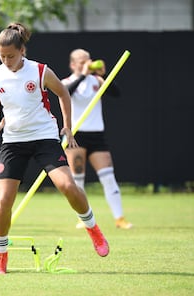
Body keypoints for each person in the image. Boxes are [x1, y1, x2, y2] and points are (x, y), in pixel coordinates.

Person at [0, 23, 109, 274]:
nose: (7, 60)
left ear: (22, 50)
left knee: (67, 186)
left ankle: (93, 228)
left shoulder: (39, 71)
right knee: (2, 202)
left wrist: (68, 127)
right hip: (12, 141)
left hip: (44, 137)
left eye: (11, 55)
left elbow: (63, 94)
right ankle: (1, 254)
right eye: (2, 56)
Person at [61, 49, 132, 230]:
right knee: (78, 179)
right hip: (76, 135)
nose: (86, 63)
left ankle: (120, 218)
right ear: (73, 64)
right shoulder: (67, 82)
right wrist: (83, 75)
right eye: (81, 61)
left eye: (88, 60)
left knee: (108, 177)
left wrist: (103, 74)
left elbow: (116, 93)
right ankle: (82, 218)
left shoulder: (96, 81)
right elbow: (67, 93)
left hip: (96, 134)